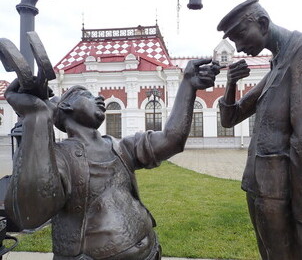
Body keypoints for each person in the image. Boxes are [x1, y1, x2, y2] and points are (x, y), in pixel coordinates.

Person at [4, 57, 220, 260]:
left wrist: (188, 85)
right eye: (87, 95)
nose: (99, 98)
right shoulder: (59, 157)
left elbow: (172, 140)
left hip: (150, 251)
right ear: (67, 106)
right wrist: (37, 117)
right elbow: (29, 214)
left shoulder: (121, 147)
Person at [217, 0, 302, 260]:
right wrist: (231, 84)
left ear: (263, 23)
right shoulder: (278, 63)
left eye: (241, 37)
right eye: (233, 41)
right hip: (256, 186)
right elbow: (230, 118)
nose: (239, 47)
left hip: (279, 192)